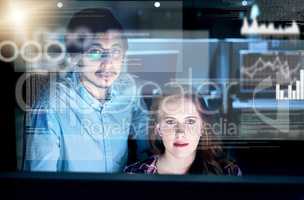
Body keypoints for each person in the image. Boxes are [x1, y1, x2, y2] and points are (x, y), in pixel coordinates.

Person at [23, 8, 149, 172]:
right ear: (75, 57)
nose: (108, 64)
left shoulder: (128, 90)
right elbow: (39, 183)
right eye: (95, 52)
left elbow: (148, 154)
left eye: (115, 52)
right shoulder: (51, 105)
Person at [124, 87, 241, 175]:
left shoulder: (229, 172)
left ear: (202, 128)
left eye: (190, 122)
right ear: (159, 129)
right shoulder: (134, 174)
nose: (180, 132)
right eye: (170, 122)